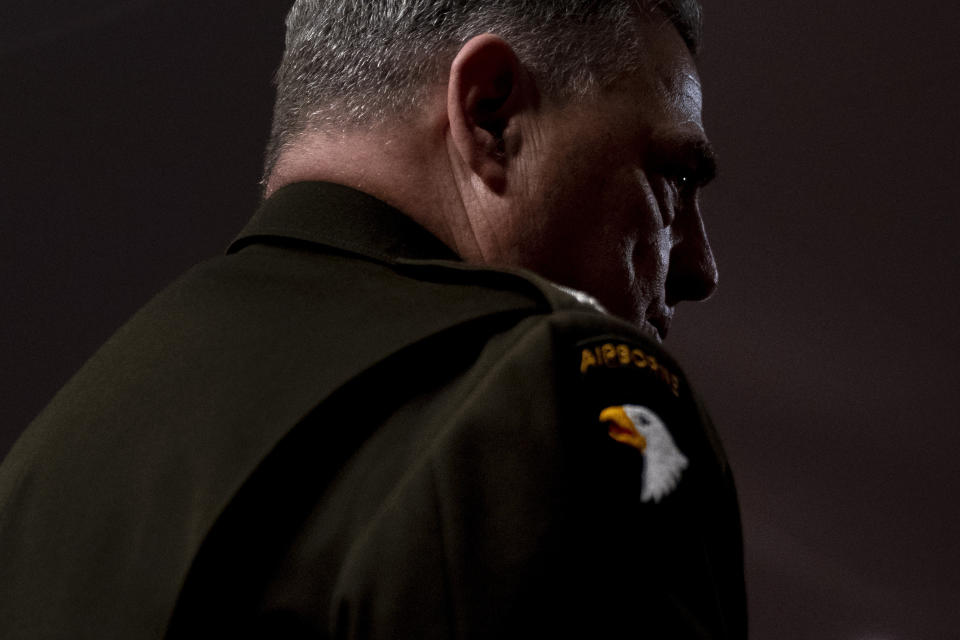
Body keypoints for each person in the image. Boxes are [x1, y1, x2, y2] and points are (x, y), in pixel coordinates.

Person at [0, 1, 746, 637]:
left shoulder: (47, 464)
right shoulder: (553, 396)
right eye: (672, 176)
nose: (699, 266)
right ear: (492, 115)